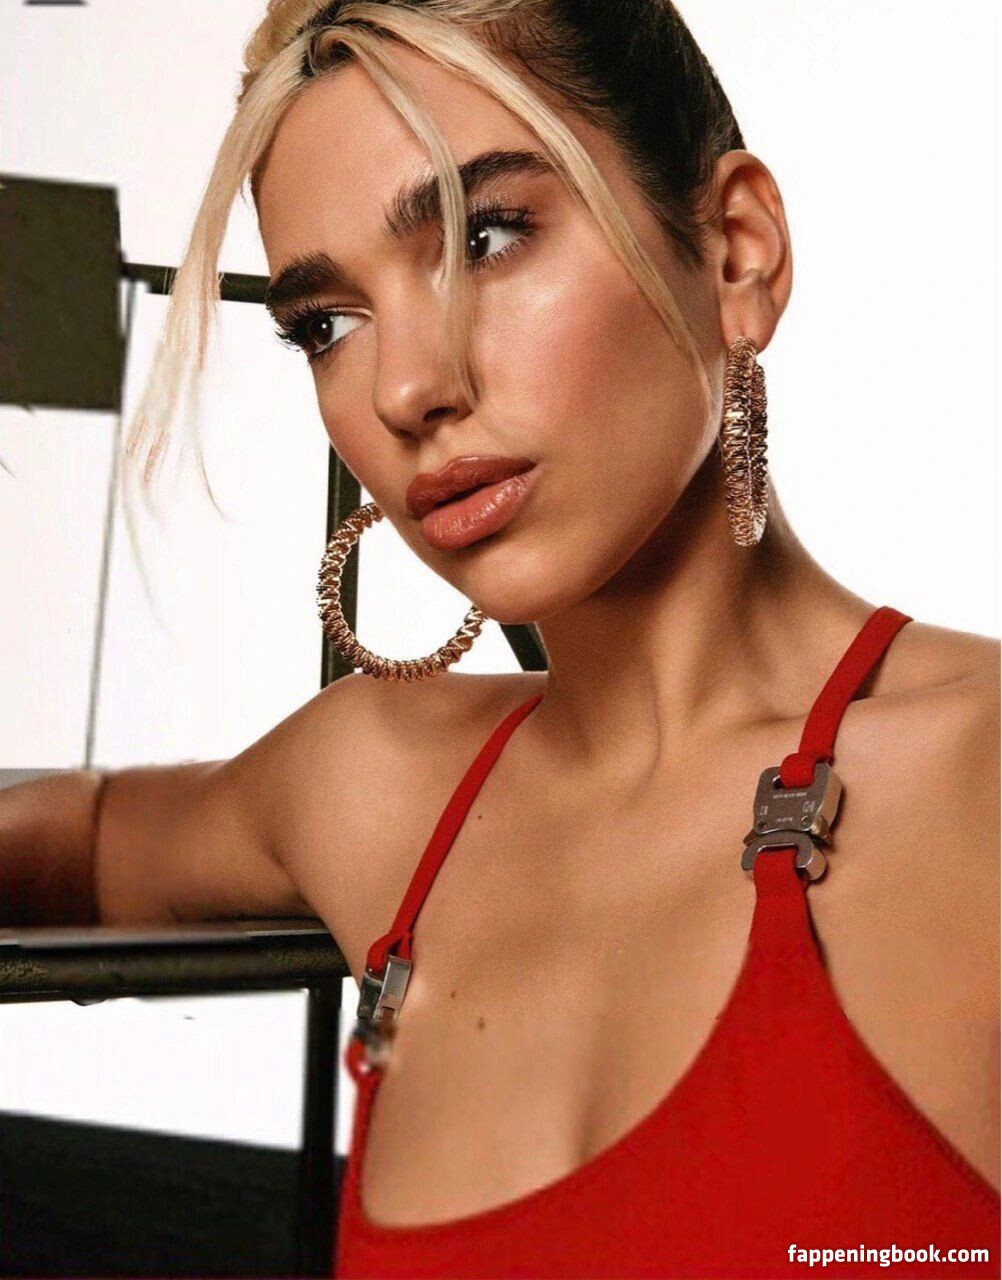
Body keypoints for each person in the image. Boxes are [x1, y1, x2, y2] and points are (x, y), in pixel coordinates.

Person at [3, 1, 999, 1276]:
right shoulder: (379, 787)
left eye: (485, 236)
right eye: (328, 323)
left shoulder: (977, 786)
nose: (407, 387)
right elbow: (84, 836)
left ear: (736, 253)